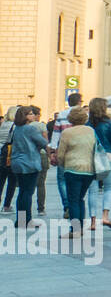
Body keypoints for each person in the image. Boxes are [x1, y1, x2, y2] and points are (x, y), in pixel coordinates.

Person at [56, 106, 97, 233]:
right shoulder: (91, 131)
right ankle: (80, 227)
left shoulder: (67, 133)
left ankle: (75, 229)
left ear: (70, 119)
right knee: (80, 198)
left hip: (72, 169)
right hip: (89, 169)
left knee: (73, 199)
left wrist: (62, 164)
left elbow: (61, 154)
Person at [7, 106, 49, 228]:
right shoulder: (30, 129)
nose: (33, 116)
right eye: (30, 114)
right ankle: (27, 220)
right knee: (28, 192)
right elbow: (43, 142)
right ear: (24, 116)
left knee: (22, 192)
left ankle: (20, 220)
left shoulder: (17, 129)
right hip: (29, 162)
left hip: (17, 162)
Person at [86, 97, 111, 231]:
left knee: (92, 190)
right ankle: (105, 216)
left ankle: (93, 221)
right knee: (108, 187)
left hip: (92, 158)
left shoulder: (87, 124)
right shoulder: (108, 123)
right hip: (108, 157)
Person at [47, 90, 82, 219]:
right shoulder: (83, 115)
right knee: (77, 177)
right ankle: (76, 203)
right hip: (79, 150)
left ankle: (67, 205)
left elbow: (55, 135)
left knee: (62, 179)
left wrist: (52, 152)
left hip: (63, 149)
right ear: (79, 102)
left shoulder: (61, 114)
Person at [0, 106, 15, 213]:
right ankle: (7, 205)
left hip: (1, 154)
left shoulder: (3, 124)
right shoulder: (14, 126)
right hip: (10, 156)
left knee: (1, 181)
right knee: (12, 182)